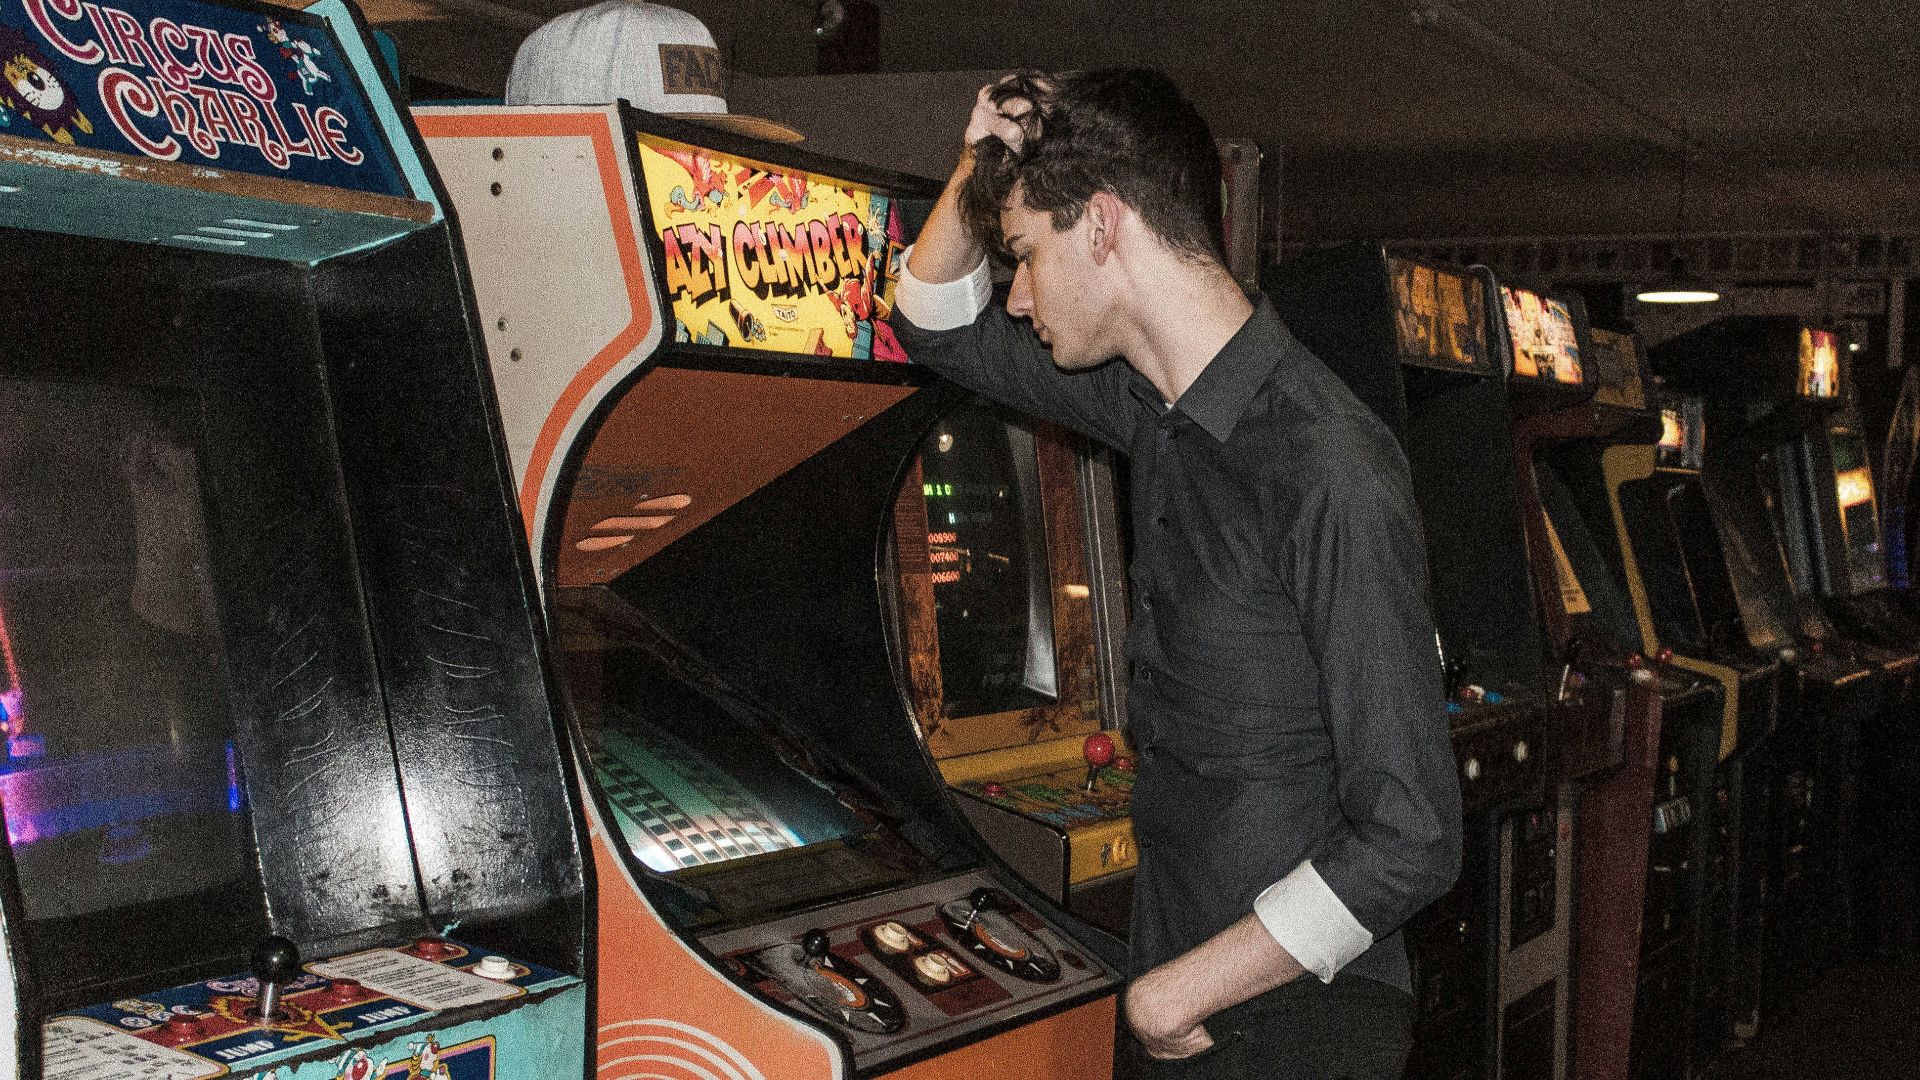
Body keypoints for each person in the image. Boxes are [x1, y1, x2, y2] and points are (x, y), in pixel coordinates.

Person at [889, 70, 1462, 1079]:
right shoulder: (1151, 405)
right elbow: (932, 319)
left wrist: (1179, 989)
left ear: (1102, 225)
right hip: (1181, 981)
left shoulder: (1328, 462)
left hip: (1296, 1020)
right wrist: (982, 157)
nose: (1015, 296)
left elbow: (1412, 836)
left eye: (1023, 255)